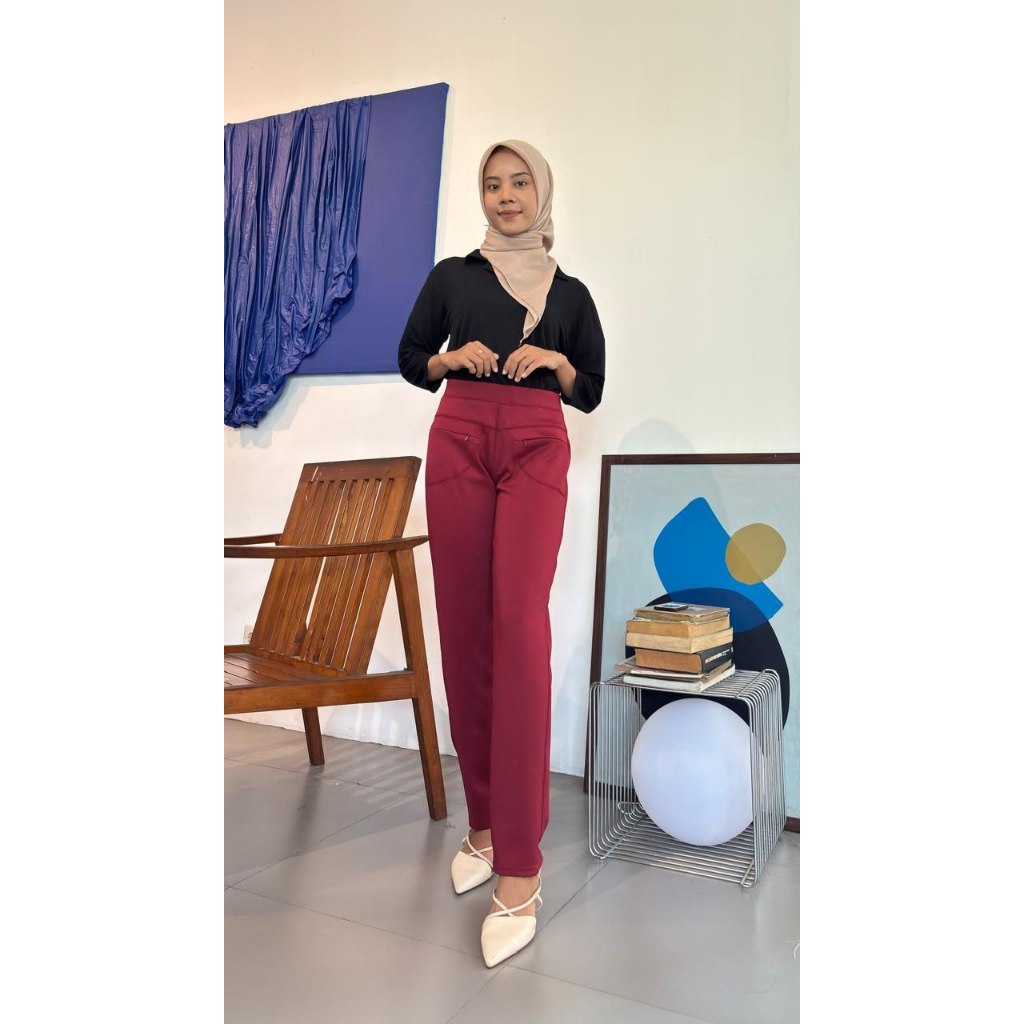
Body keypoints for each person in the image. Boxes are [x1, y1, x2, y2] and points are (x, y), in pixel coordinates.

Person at [397, 139, 605, 967]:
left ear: (540, 192)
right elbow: (412, 357)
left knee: (519, 631)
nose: (506, 195)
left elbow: (589, 387)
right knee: (465, 632)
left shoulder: (572, 293)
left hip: (534, 445)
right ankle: (482, 826)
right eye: (492, 183)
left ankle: (520, 864)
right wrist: (450, 360)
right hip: (457, 437)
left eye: (519, 182)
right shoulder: (453, 276)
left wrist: (555, 360)